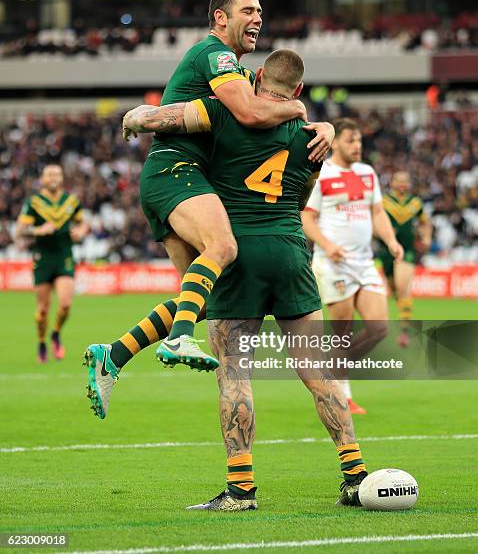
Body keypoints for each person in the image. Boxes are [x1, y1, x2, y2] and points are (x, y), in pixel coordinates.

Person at [123, 50, 368, 510]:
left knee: (235, 373)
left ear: (256, 78)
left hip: (239, 255)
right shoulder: (313, 136)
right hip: (290, 251)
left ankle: (241, 489)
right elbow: (301, 197)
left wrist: (139, 116)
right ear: (297, 92)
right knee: (317, 372)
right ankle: (355, 475)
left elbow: (164, 121)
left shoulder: (222, 112)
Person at [85, 0, 329, 420]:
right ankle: (177, 339)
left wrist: (322, 123)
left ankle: (114, 355)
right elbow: (252, 114)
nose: (258, 18)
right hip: (177, 172)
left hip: (172, 177)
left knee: (202, 297)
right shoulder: (216, 56)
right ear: (221, 17)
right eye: (249, 10)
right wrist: (300, 111)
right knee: (224, 247)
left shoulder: (229, 64)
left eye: (261, 11)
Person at [301, 119, 404, 414]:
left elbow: (378, 212)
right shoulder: (322, 174)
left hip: (364, 262)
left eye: (359, 140)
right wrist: (328, 245)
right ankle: (341, 394)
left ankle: (331, 373)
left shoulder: (367, 173)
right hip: (333, 263)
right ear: (335, 143)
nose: (357, 146)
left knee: (380, 328)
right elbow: (306, 218)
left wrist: (391, 240)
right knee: (342, 331)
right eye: (350, 140)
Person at [16, 164, 88, 362]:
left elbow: (83, 222)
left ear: (62, 177)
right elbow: (20, 231)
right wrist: (38, 231)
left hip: (64, 256)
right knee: (42, 310)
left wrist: (81, 231)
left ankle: (55, 333)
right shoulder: (34, 202)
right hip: (43, 258)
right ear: (43, 178)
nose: (54, 177)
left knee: (65, 304)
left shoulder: (71, 201)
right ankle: (41, 341)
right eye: (50, 174)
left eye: (57, 173)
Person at [377, 171, 432, 347]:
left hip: (407, 250)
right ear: (392, 182)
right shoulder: (383, 201)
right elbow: (373, 221)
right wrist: (381, 233)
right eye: (398, 180)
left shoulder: (415, 203)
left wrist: (426, 237)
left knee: (402, 288)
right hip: (386, 250)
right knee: (394, 289)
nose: (402, 183)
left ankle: (404, 332)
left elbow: (425, 222)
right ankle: (402, 311)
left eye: (405, 181)